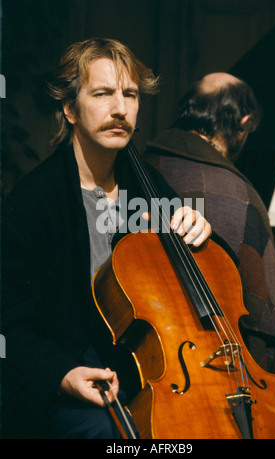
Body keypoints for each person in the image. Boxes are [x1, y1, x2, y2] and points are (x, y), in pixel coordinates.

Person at [1, 38, 211, 439]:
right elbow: (10, 327)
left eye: (130, 95)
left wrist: (199, 233)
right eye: (102, 94)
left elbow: (201, 288)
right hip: (70, 369)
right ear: (69, 109)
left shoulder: (149, 185)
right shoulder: (32, 204)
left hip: (145, 366)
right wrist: (62, 375)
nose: (120, 109)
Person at [144, 72, 275, 376]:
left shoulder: (139, 168)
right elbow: (266, 317)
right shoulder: (239, 194)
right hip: (221, 374)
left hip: (146, 363)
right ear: (243, 122)